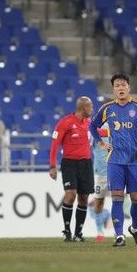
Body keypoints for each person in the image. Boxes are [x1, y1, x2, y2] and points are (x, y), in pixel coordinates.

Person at [89, 73, 137, 247]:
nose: (120, 88)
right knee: (117, 197)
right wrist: (100, 143)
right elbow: (92, 125)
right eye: (117, 85)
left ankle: (135, 229)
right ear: (113, 89)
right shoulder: (107, 109)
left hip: (135, 161)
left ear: (129, 87)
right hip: (114, 161)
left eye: (123, 85)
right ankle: (119, 236)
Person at [49, 96, 94, 242]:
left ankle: (78, 233)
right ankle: (67, 230)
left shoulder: (89, 123)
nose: (92, 109)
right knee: (70, 195)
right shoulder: (65, 122)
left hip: (86, 164)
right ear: (84, 108)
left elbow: (100, 134)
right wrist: (52, 166)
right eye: (90, 106)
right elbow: (55, 144)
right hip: (70, 163)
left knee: (84, 198)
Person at [89, 122, 112, 242]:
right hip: (100, 172)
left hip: (116, 170)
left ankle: (118, 231)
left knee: (118, 200)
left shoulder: (118, 125)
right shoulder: (94, 128)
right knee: (98, 203)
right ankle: (99, 231)